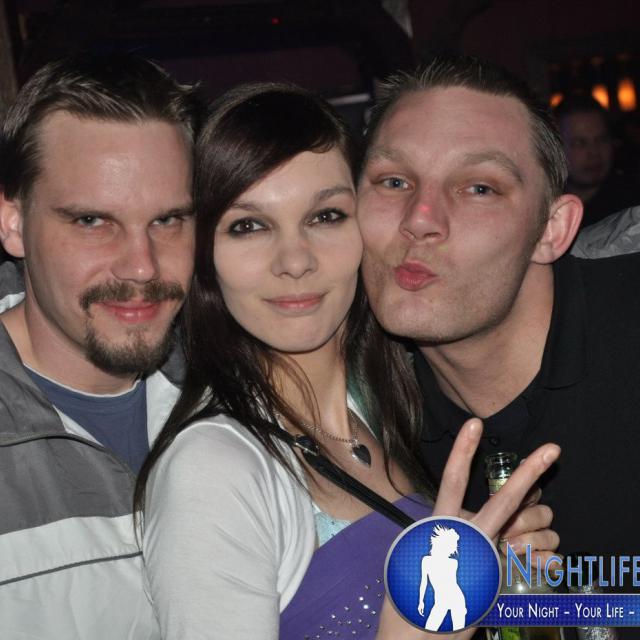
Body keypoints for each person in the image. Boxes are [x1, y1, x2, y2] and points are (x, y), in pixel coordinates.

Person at [135, 81, 560, 640]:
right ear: (206, 259)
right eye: (248, 225)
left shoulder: (398, 406)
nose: (294, 260)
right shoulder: (212, 470)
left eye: (325, 216)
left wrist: (496, 580)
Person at [358, 54, 640, 581]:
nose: (420, 219)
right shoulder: (357, 411)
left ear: (552, 229)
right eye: (393, 181)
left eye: (479, 188)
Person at [0, 52, 201, 638]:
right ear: (12, 222)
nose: (142, 267)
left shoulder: (242, 387)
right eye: (92, 221)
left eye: (167, 220)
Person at [554, 95, 639, 228]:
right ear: (555, 148)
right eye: (580, 143)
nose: (594, 152)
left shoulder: (632, 208)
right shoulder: (544, 208)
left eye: (601, 140)